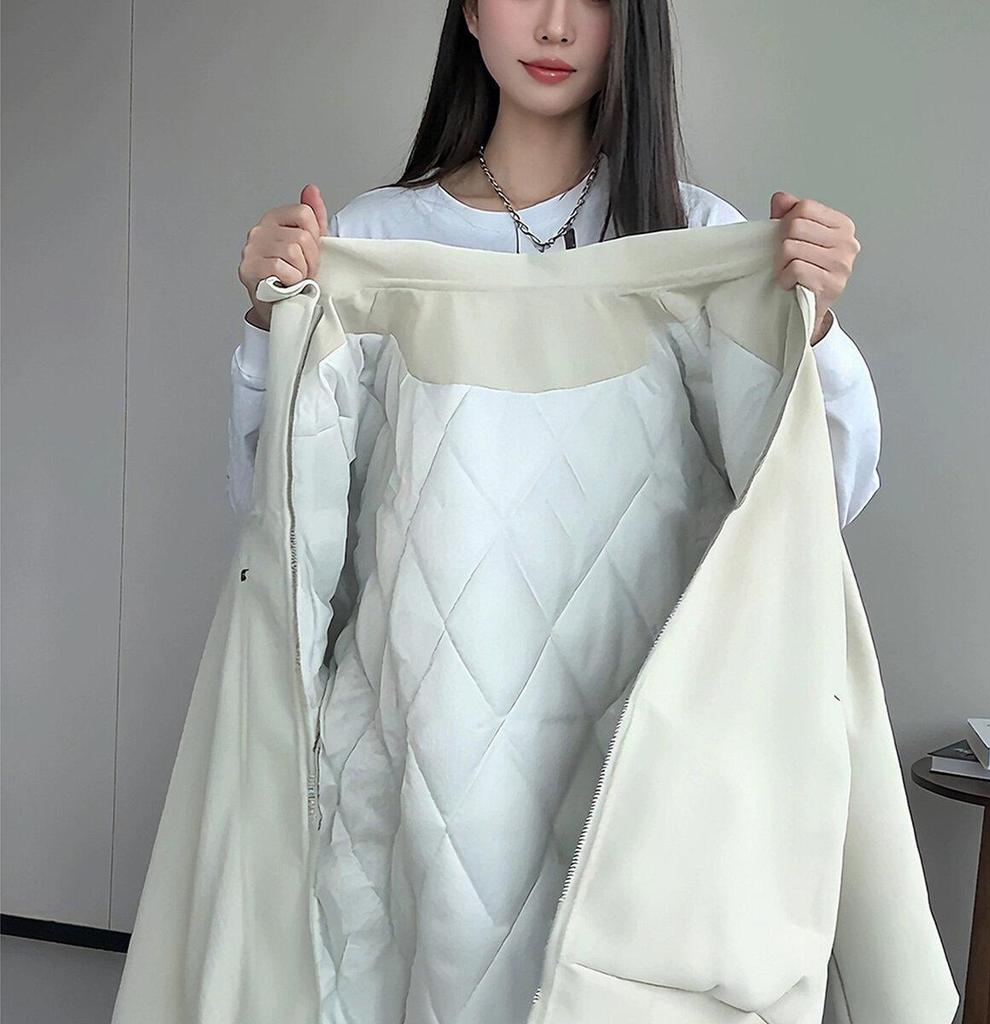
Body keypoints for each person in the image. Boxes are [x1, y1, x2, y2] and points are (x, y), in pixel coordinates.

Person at [227, 1, 880, 1020]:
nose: (557, 23)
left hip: (635, 744)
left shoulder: (698, 238)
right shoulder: (372, 238)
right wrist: (273, 324)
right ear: (469, 10)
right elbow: (279, 516)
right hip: (416, 746)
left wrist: (815, 324)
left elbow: (816, 502)